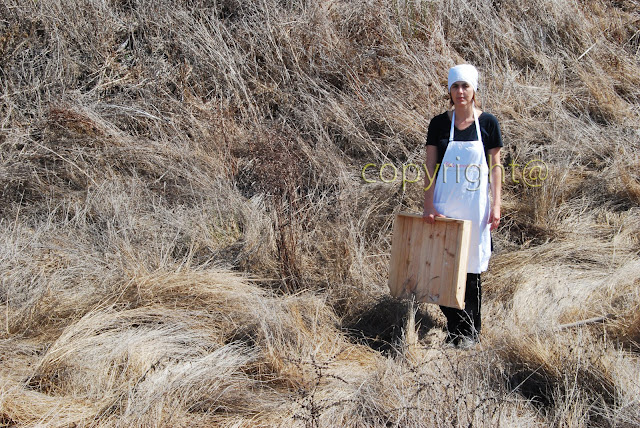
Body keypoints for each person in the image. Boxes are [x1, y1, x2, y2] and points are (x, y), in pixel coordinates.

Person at [423, 64, 503, 348]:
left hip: (475, 207)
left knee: (471, 269)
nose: (460, 91)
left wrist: (496, 204)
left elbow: (496, 168)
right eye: (455, 86)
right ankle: (453, 327)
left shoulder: (488, 123)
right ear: (449, 90)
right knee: (442, 267)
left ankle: (470, 332)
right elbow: (430, 166)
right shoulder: (438, 124)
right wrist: (428, 203)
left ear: (474, 89)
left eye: (465, 85)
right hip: (444, 205)